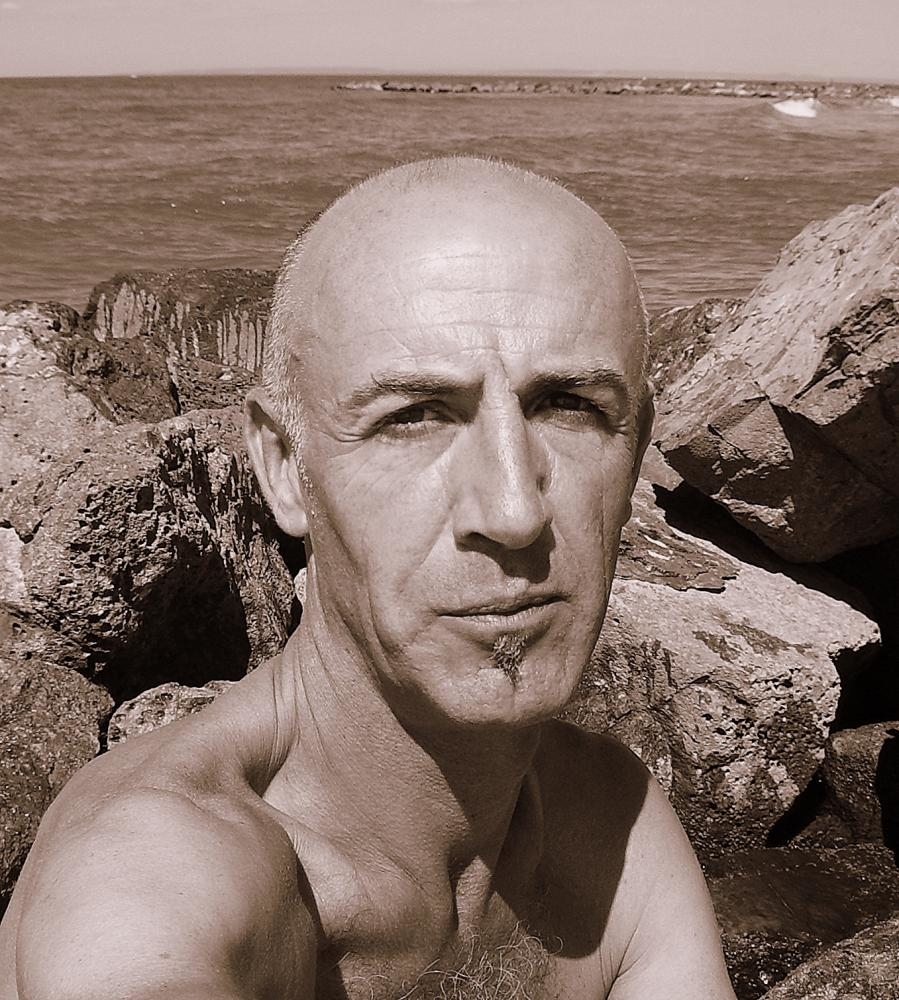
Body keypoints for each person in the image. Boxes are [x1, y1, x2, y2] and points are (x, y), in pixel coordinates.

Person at [0, 156, 736, 1000]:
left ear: (635, 449)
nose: (511, 510)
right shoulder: (157, 879)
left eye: (570, 406)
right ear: (285, 467)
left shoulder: (609, 823)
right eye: (413, 417)